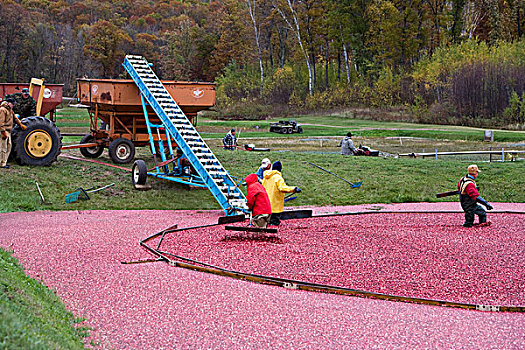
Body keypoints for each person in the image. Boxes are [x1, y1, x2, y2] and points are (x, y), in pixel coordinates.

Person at [262, 161, 301, 226]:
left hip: (266, 203)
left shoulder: (266, 177)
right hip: (275, 204)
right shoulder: (278, 177)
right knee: (274, 222)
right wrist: (294, 189)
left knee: (267, 222)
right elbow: (282, 188)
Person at [0, 98, 27, 168]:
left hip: (8, 130)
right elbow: (1, 122)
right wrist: (3, 132)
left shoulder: (10, 110)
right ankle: (2, 163)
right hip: (3, 131)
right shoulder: (2, 110)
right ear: (8, 103)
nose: (13, 105)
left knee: (9, 146)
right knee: (3, 147)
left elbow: (15, 118)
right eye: (12, 104)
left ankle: (4, 162)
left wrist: (20, 124)